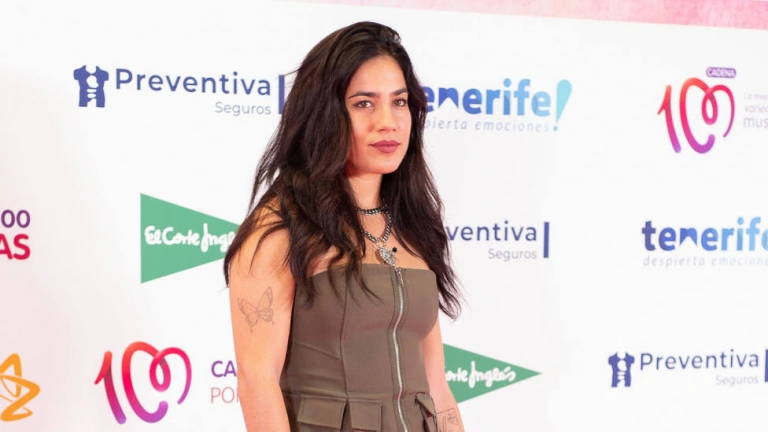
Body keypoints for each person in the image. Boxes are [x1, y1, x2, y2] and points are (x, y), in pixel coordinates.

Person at [224, 21, 465, 432]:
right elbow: (256, 381)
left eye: (399, 102)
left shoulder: (414, 227)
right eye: (364, 103)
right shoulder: (280, 228)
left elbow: (436, 384)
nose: (388, 122)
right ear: (323, 114)